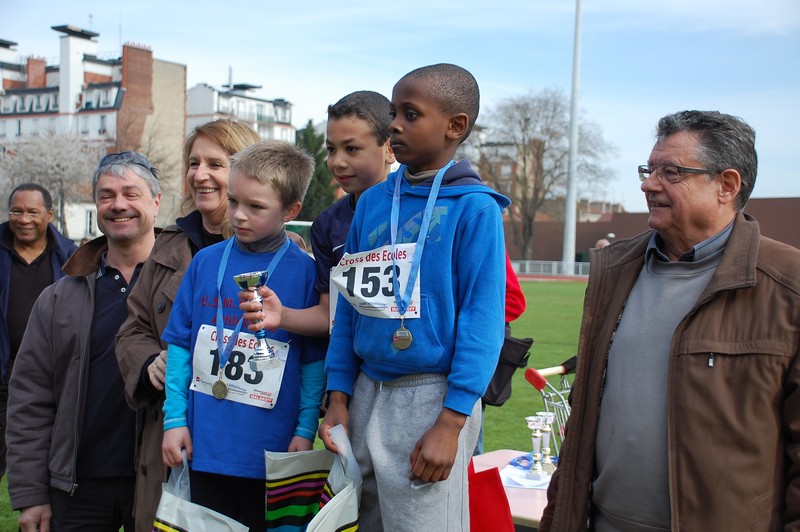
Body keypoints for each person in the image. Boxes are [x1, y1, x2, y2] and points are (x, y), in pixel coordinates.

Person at [539, 111, 800, 531]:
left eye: (671, 172)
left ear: (726, 185)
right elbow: (582, 417)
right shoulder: (615, 272)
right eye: (649, 170)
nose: (648, 184)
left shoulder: (787, 286)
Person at [318, 63, 510, 530]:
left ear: (455, 126)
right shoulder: (373, 202)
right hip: (366, 390)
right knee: (361, 522)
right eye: (393, 113)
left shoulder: (475, 209)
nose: (395, 125)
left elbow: (482, 320)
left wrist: (452, 421)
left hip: (431, 396)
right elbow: (350, 310)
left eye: (410, 114)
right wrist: (338, 394)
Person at [160, 140, 326, 530]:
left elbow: (312, 363)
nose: (238, 214)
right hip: (206, 446)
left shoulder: (305, 272)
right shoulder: (205, 262)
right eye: (233, 201)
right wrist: (174, 419)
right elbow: (180, 346)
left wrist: (305, 429)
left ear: (291, 211)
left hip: (273, 451)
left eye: (255, 207)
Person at [115, 119, 260, 531]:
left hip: (248, 440)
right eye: (193, 163)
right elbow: (132, 328)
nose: (199, 175)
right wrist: (149, 362)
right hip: (174, 437)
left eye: (215, 163)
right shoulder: (167, 247)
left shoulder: (285, 251)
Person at [6, 152, 162, 531]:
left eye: (131, 193)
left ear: (157, 201)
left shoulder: (187, 283)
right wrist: (31, 494)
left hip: (162, 478)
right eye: (107, 195)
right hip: (78, 486)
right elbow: (30, 398)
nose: (118, 204)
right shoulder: (59, 297)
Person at [239, 90, 395, 337]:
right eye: (331, 149)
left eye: (351, 149)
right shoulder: (327, 225)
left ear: (390, 149)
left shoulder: (420, 211)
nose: (337, 162)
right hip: (354, 359)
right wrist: (282, 316)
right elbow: (328, 315)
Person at [0, 183, 77, 481]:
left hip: (48, 376)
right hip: (3, 373)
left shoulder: (69, 257)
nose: (24, 219)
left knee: (42, 461)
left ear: (49, 214)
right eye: (16, 212)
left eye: (32, 212)